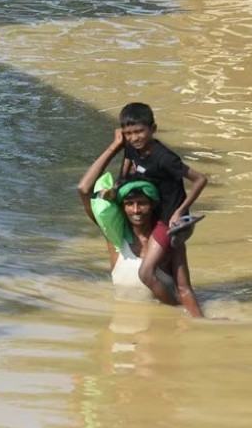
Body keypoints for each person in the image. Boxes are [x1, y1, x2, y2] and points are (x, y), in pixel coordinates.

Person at [77, 128, 203, 317]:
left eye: (142, 203)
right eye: (129, 204)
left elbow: (184, 291)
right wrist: (116, 146)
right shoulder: (116, 238)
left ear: (153, 205)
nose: (135, 210)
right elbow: (84, 189)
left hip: (159, 333)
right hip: (120, 338)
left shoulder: (169, 242)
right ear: (122, 208)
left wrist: (200, 323)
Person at [116, 103, 208, 244]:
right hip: (151, 210)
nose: (134, 138)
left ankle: (183, 228)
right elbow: (124, 173)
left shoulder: (165, 159)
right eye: (128, 133)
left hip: (169, 216)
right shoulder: (132, 146)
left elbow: (200, 180)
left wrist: (180, 212)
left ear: (153, 129)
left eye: (139, 131)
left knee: (148, 266)